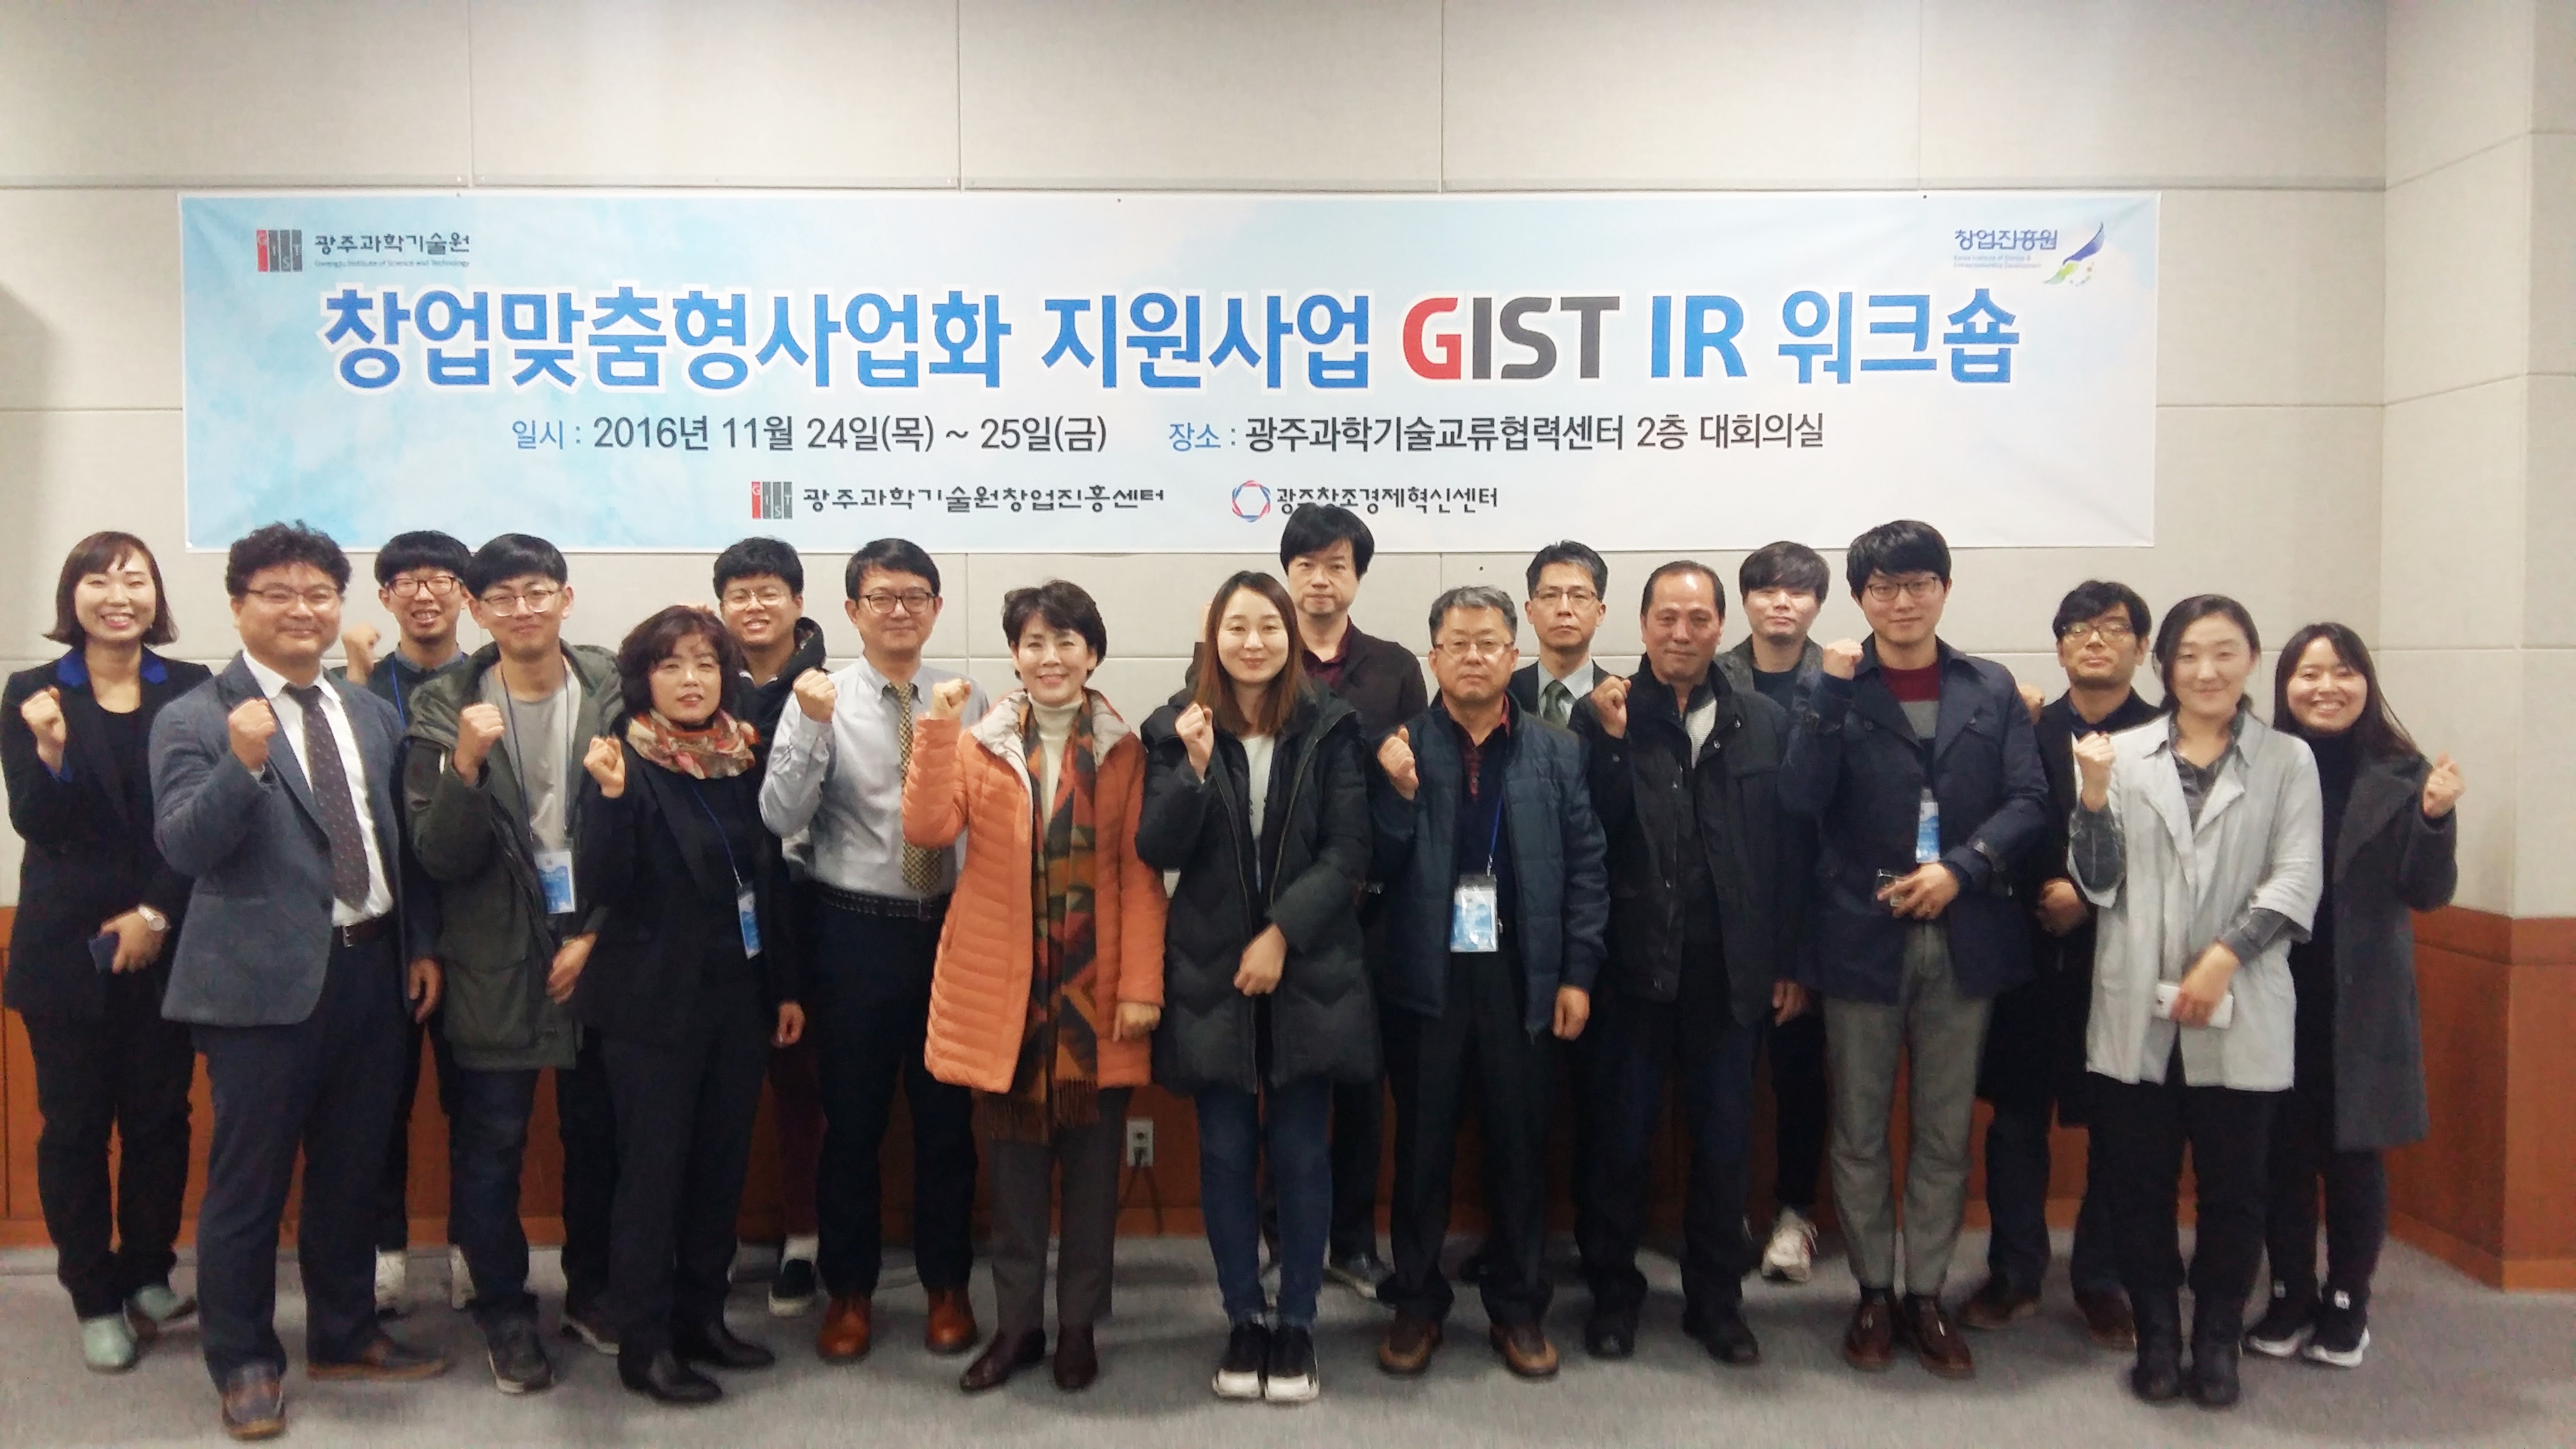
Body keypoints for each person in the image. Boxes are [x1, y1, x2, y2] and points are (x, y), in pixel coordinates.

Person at [152, 522, 450, 1440]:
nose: (301, 609)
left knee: (353, 1173)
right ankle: (244, 1360)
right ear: (238, 604)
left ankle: (344, 1332)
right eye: (277, 592)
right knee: (248, 1186)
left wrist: (418, 943)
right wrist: (241, 764)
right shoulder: (196, 718)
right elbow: (184, 847)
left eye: (318, 593)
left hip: (370, 970)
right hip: (258, 990)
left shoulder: (368, 711)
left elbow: (397, 840)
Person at [1778, 519, 2047, 1382]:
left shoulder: (1988, 685)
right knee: (1858, 1129)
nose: (1902, 601)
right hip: (1860, 933)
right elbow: (1800, 796)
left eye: (1919, 583)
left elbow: (2029, 799)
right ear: (1861, 599)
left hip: (1965, 933)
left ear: (1945, 589)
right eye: (1884, 587)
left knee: (1942, 1128)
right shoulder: (1832, 686)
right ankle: (1871, 1291)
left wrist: (1962, 869)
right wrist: (1828, 692)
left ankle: (1925, 1294)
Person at [902, 579, 1165, 1394]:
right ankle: (1018, 1328)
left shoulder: (1124, 750)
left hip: (1095, 1000)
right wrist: (936, 728)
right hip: (1006, 1001)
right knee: (1014, 1186)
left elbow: (1139, 876)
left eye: (1067, 642)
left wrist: (1141, 985)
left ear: (1094, 654)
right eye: (1034, 644)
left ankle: (1078, 1327)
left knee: (1091, 1185)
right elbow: (926, 829)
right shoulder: (978, 744)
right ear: (1015, 656)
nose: (1051, 658)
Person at [2070, 594, 2322, 1409]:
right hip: (2135, 1003)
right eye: (2188, 655)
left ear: (2251, 659)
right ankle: (2156, 1338)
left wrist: (2224, 957)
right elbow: (2097, 883)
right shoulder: (2121, 753)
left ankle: (2216, 1339)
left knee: (2235, 1190)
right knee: (2137, 1185)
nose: (2206, 671)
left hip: (2242, 1000)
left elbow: (2296, 877)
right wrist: (2094, 797)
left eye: (2224, 653)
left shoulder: (2287, 760)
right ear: (2164, 666)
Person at [1136, 572, 1373, 1406]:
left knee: (1304, 1152)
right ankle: (1244, 1314)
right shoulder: (1176, 725)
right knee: (1227, 1151)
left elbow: (1349, 850)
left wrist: (1280, 934)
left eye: (1268, 626)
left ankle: (1298, 1320)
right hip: (1212, 971)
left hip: (1309, 968)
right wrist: (1195, 769)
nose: (1253, 642)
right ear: (1214, 637)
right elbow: (1156, 846)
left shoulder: (1331, 725)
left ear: (1289, 636)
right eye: (1236, 627)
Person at [1568, 562, 1810, 1366]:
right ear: (1641, 626)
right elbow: (1584, 836)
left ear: (1720, 627)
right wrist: (1609, 746)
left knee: (1725, 1146)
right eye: (1666, 618)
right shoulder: (1603, 714)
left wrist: (1787, 960)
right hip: (1629, 970)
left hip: (1729, 973)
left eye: (1698, 619)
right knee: (1618, 1146)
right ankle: (1612, 1297)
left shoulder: (1762, 720)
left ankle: (1717, 1304)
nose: (1681, 633)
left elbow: (1787, 852)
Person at [1368, 584, 1608, 1382]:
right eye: (1457, 643)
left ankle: (1518, 1307)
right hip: (1424, 980)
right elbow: (1370, 866)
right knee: (1422, 1152)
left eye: (1489, 643)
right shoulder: (1398, 747)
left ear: (1514, 654)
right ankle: (1416, 1302)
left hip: (1522, 977)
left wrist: (1577, 975)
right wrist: (1399, 796)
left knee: (1520, 1149)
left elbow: (1587, 871)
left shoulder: (1557, 751)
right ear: (1433, 656)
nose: (1473, 657)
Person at [402, 534, 621, 1392]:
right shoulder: (442, 708)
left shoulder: (613, 689)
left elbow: (645, 827)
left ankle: (593, 1290)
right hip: (492, 951)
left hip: (598, 943)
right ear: (476, 608)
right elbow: (438, 855)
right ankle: (503, 1309)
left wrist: (597, 932)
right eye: (502, 597)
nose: (522, 609)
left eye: (538, 591)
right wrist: (463, 765)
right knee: (490, 1145)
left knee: (600, 1135)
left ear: (566, 597)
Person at [573, 606, 807, 1405]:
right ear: (644, 679)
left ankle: (702, 1319)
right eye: (671, 665)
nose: (691, 679)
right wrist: (610, 801)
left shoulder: (742, 757)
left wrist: (784, 987)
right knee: (652, 1176)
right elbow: (601, 885)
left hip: (737, 998)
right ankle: (644, 1344)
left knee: (719, 1167)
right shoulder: (622, 760)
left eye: (706, 663)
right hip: (652, 1008)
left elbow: (768, 880)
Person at [759, 539, 985, 1365]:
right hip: (853, 930)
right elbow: (781, 815)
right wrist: (810, 727)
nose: (900, 610)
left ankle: (947, 1285)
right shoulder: (818, 696)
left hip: (949, 930)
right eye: (882, 597)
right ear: (852, 611)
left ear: (935, 608)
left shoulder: (967, 697)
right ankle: (849, 1291)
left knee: (946, 1123)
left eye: (915, 596)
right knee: (851, 1124)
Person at [3, 534, 212, 1371]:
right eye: (99, 578)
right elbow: (37, 823)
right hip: (65, 952)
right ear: (73, 596)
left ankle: (148, 1272)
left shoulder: (192, 688)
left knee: (162, 1120)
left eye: (135, 578)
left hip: (167, 941)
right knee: (76, 1129)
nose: (117, 594)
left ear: (156, 596)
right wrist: (51, 750)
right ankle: (94, 1294)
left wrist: (154, 914)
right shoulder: (32, 691)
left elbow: (203, 819)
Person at [2247, 623, 2461, 1369]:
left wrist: (2434, 818)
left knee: (2353, 1158)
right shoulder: (2262, 764)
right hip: (2275, 989)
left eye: (2342, 672)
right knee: (2281, 1155)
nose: (2326, 687)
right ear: (2286, 687)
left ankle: (2347, 1302)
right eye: (2308, 674)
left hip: (2360, 999)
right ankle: (2288, 1293)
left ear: (2366, 682)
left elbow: (2427, 892)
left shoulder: (2404, 773)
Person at [1962, 581, 2162, 1349]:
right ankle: (2015, 1272)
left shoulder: (2165, 737)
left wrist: (2089, 899)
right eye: (2078, 629)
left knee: (2119, 1127)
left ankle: (2102, 1279)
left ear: (2142, 646)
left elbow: (2176, 855)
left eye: (2112, 628)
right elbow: (2000, 822)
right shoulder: (2027, 731)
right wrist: (2043, 893)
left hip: (2124, 959)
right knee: (2015, 1122)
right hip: (2025, 957)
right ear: (2059, 647)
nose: (2094, 641)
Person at [1277, 504, 1425, 1297]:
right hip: (1279, 906)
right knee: (1283, 1075)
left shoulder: (1395, 668)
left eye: (1336, 565)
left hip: (1370, 905)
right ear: (1287, 574)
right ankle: (1280, 1233)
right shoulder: (1257, 653)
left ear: (1358, 577)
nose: (1320, 580)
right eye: (1306, 565)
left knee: (1364, 1083)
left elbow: (1416, 781)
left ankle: (1354, 1241)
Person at [337, 529, 475, 1318]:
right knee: (377, 1105)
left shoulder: (489, 681)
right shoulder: (353, 686)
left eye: (441, 579)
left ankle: (471, 1252)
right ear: (385, 597)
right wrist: (357, 678)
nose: (425, 594)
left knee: (474, 1104)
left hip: (472, 926)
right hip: (381, 928)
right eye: (407, 581)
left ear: (466, 595)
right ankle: (384, 1253)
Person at [713, 537, 831, 1317]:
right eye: (740, 594)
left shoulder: (829, 688)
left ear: (798, 601)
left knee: (801, 1085)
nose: (755, 607)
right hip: (718, 911)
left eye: (769, 592)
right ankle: (710, 1239)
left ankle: (803, 1241)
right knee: (716, 1087)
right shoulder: (697, 680)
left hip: (808, 907)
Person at [1717, 540, 1832, 1286]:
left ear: (1818, 603)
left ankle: (1794, 1215)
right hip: (1726, 920)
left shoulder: (1844, 681)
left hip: (1811, 911)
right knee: (1722, 1081)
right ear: (1746, 602)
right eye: (1766, 590)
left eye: (1797, 590)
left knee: (1798, 1079)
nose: (1781, 602)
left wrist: (1797, 957)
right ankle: (1724, 1212)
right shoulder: (1711, 675)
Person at [1510, 540, 1609, 724]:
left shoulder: (1622, 699)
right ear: (1530, 611)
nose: (1564, 609)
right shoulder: (1503, 696)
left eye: (1579, 596)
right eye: (1550, 595)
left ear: (1600, 613)